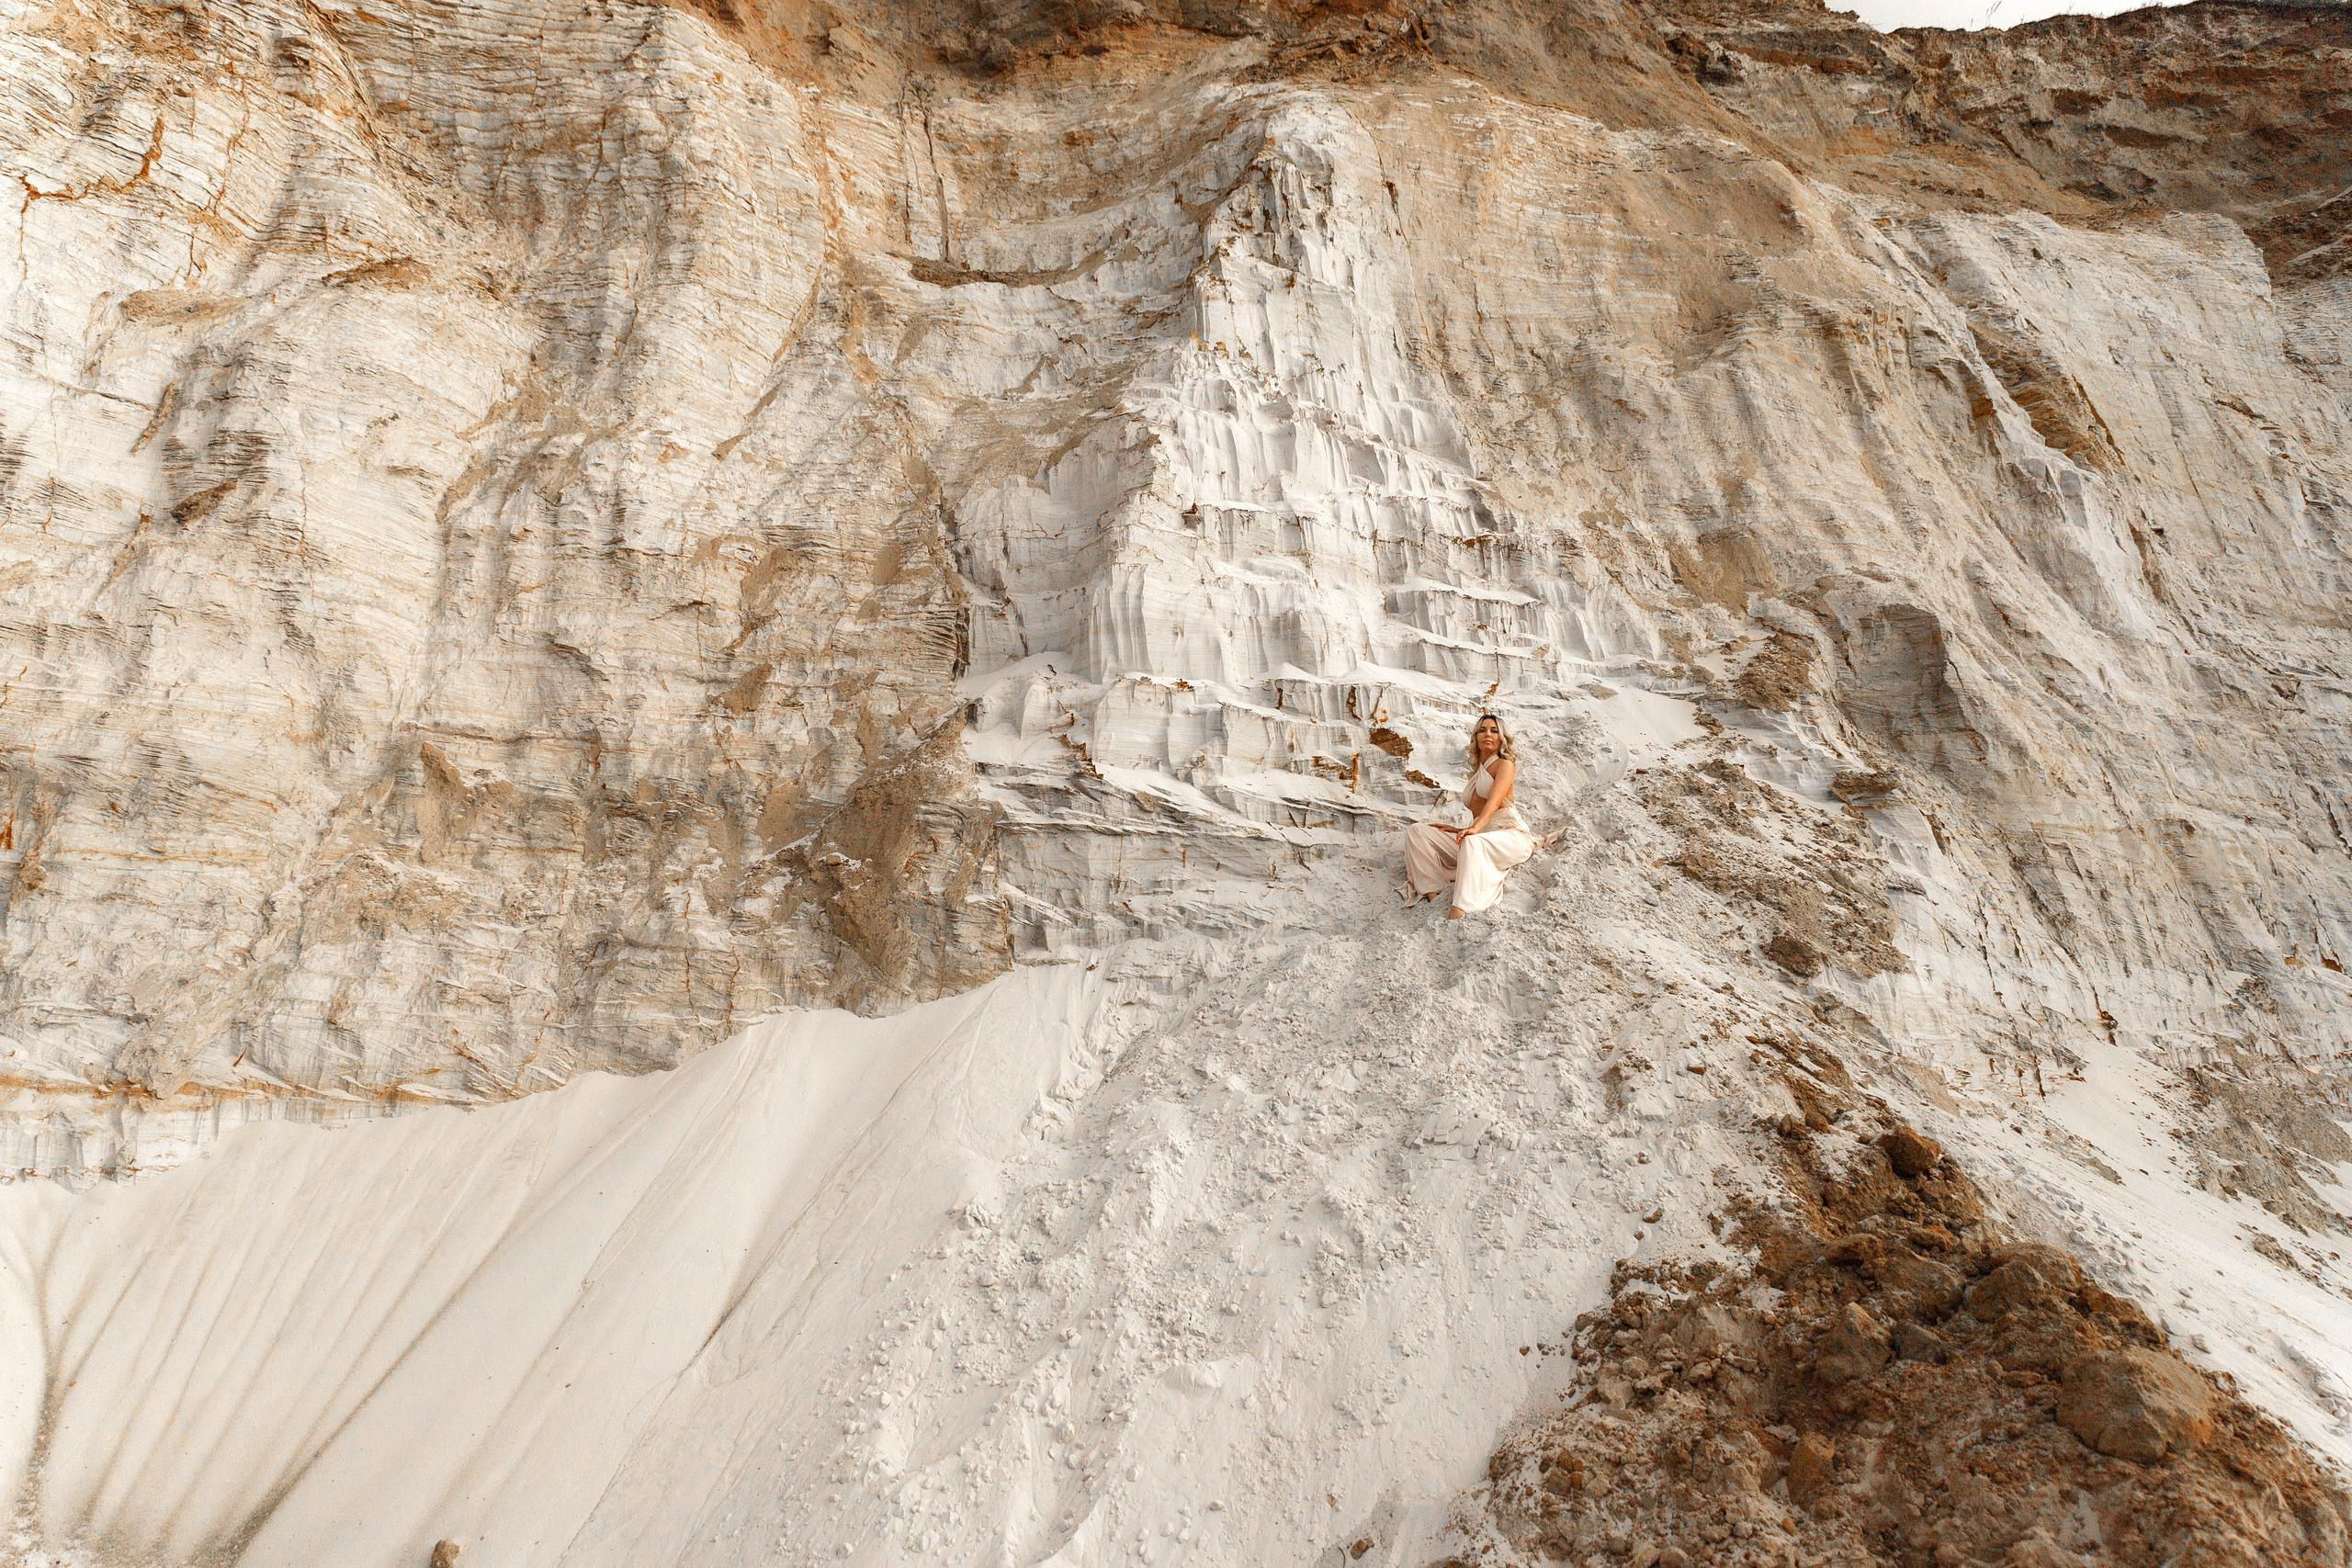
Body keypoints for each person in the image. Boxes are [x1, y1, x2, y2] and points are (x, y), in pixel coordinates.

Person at [1402, 713, 1536, 919]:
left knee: (1472, 843)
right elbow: (1479, 814)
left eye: (1494, 731)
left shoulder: (1505, 765)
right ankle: (1434, 891)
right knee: (1417, 831)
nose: (1487, 735)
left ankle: (1461, 909)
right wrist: (1463, 829)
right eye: (1482, 730)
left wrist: (1474, 829)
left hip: (1510, 836)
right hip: (1481, 835)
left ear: (1502, 738)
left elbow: (1493, 803)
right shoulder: (1476, 773)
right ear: (1475, 737)